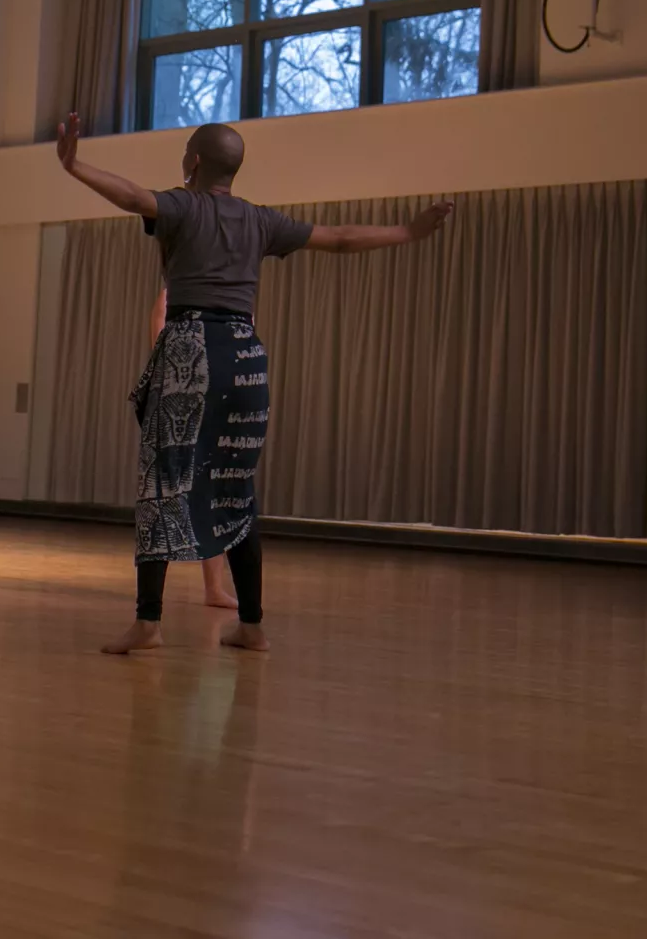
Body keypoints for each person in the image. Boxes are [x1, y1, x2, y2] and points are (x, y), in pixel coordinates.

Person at [55, 113, 452, 653]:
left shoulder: (183, 204)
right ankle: (253, 625)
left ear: (193, 163)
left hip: (190, 350)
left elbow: (132, 197)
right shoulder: (260, 221)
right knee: (235, 492)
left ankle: (148, 623)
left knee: (161, 484)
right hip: (245, 356)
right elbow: (337, 238)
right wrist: (407, 231)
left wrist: (74, 164)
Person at [150, 286, 240, 611]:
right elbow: (159, 345)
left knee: (214, 498)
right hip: (182, 408)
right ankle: (151, 600)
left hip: (216, 408)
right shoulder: (172, 293)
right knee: (168, 500)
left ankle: (214, 588)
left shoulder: (232, 300)